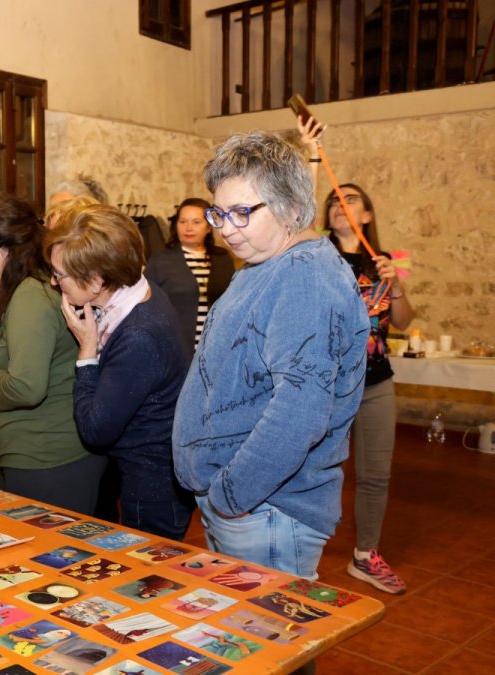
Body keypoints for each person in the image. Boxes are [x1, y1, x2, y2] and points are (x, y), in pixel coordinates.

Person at [172, 131, 369, 579]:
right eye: (219, 213)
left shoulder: (305, 277)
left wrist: (230, 496)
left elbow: (300, 411)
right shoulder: (266, 263)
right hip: (249, 504)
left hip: (268, 508)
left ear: (292, 210)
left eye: (242, 212)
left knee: (271, 638)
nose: (225, 228)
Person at [45, 200, 194, 540]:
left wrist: (86, 349)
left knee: (148, 580)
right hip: (155, 474)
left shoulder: (138, 333)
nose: (55, 283)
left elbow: (95, 431)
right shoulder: (137, 292)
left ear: (96, 281)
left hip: (153, 485)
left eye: (60, 274)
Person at [0, 193, 107, 515]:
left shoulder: (31, 294)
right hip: (37, 452)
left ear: (10, 246)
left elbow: (26, 388)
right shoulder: (33, 285)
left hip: (49, 457)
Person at [325, 183, 415, 594]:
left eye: (350, 200)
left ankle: (366, 555)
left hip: (376, 382)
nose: (339, 205)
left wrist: (395, 284)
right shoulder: (317, 257)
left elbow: (402, 321)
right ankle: (297, 549)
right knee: (317, 470)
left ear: (367, 215)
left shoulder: (387, 261)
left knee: (376, 475)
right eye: (332, 202)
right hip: (327, 387)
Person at [144, 198, 235, 361]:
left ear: (208, 227)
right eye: (183, 221)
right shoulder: (160, 261)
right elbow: (146, 308)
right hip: (173, 350)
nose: (188, 228)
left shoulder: (223, 259)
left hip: (215, 349)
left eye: (196, 222)